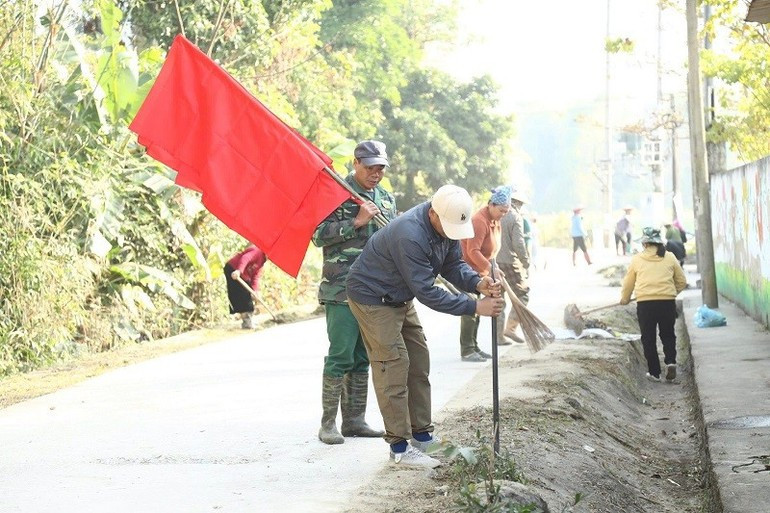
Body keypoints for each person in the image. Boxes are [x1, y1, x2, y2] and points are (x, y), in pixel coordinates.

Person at [346, 184, 505, 468]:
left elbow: (453, 265)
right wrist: (474, 306)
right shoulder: (410, 234)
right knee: (393, 365)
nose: (450, 235)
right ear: (433, 214)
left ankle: (422, 435)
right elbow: (428, 292)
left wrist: (478, 283)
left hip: (399, 295)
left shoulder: (449, 221)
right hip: (372, 297)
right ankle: (399, 447)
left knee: (419, 362)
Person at [311, 140, 397, 445]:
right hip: (341, 289)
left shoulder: (386, 198)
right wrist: (356, 222)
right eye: (370, 167)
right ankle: (327, 424)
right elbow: (317, 236)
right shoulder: (336, 194)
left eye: (380, 168)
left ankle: (354, 421)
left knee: (362, 357)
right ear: (355, 163)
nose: (376, 173)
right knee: (341, 355)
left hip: (374, 292)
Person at [620, 227, 687, 383]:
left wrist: (625, 298)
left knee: (648, 337)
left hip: (645, 303)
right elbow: (682, 282)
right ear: (659, 243)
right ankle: (670, 361)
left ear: (644, 243)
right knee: (668, 334)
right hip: (667, 303)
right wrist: (670, 292)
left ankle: (655, 372)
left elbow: (628, 283)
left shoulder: (637, 259)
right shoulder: (670, 257)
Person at [458, 185, 511, 361]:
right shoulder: (479, 221)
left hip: (483, 271)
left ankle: (474, 346)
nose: (503, 214)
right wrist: (490, 267)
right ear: (491, 205)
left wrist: (493, 267)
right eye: (501, 210)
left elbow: (493, 250)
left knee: (479, 309)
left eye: (506, 211)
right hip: (468, 270)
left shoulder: (496, 221)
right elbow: (473, 251)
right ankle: (467, 349)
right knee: (470, 309)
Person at [497, 188, 530, 344]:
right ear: (517, 203)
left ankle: (498, 337)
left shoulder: (496, 214)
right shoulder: (515, 217)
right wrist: (525, 261)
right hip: (510, 262)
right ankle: (510, 329)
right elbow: (518, 243)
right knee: (523, 294)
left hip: (494, 262)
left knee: (498, 299)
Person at [224, 244, 267, 329]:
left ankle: (247, 321)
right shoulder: (257, 251)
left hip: (243, 275)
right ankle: (247, 322)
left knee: (247, 295)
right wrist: (239, 271)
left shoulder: (262, 261)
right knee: (244, 296)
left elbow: (255, 276)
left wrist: (255, 291)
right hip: (233, 268)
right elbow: (245, 258)